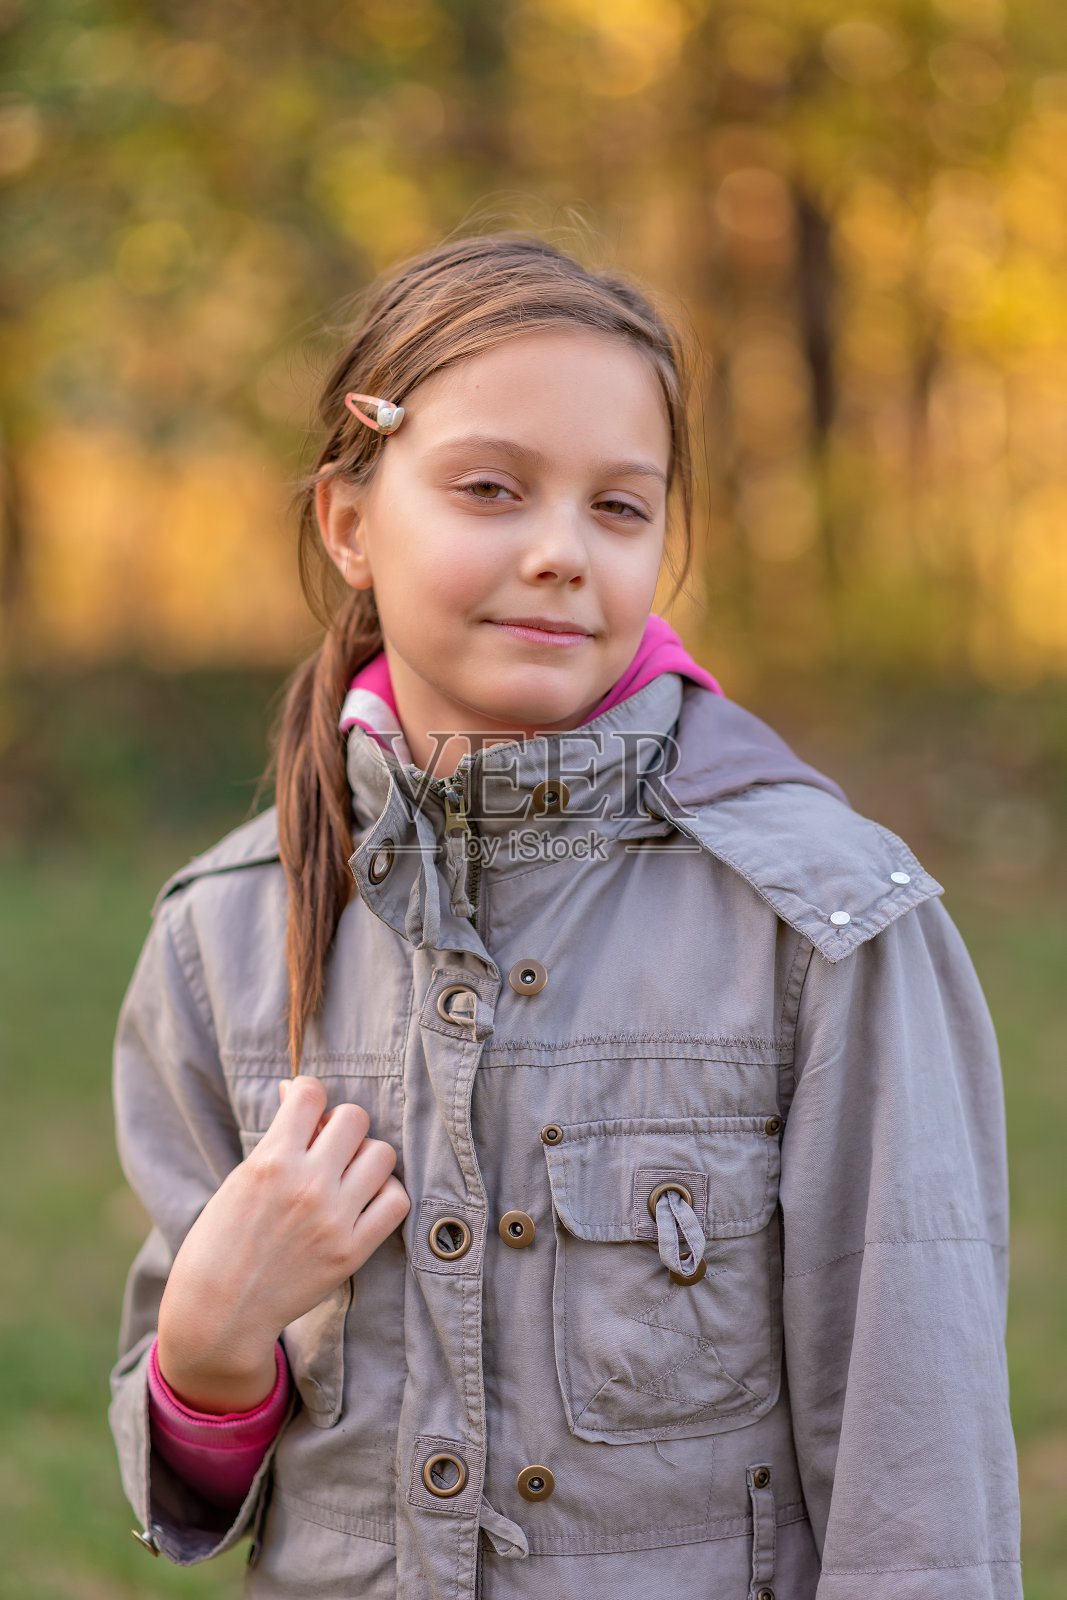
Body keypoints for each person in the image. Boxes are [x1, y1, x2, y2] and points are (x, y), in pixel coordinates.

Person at [108, 234, 1022, 1599]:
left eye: (618, 507)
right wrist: (210, 1344)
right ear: (348, 521)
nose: (557, 553)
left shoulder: (823, 924)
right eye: (490, 488)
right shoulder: (223, 939)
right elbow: (190, 1479)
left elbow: (922, 1481)